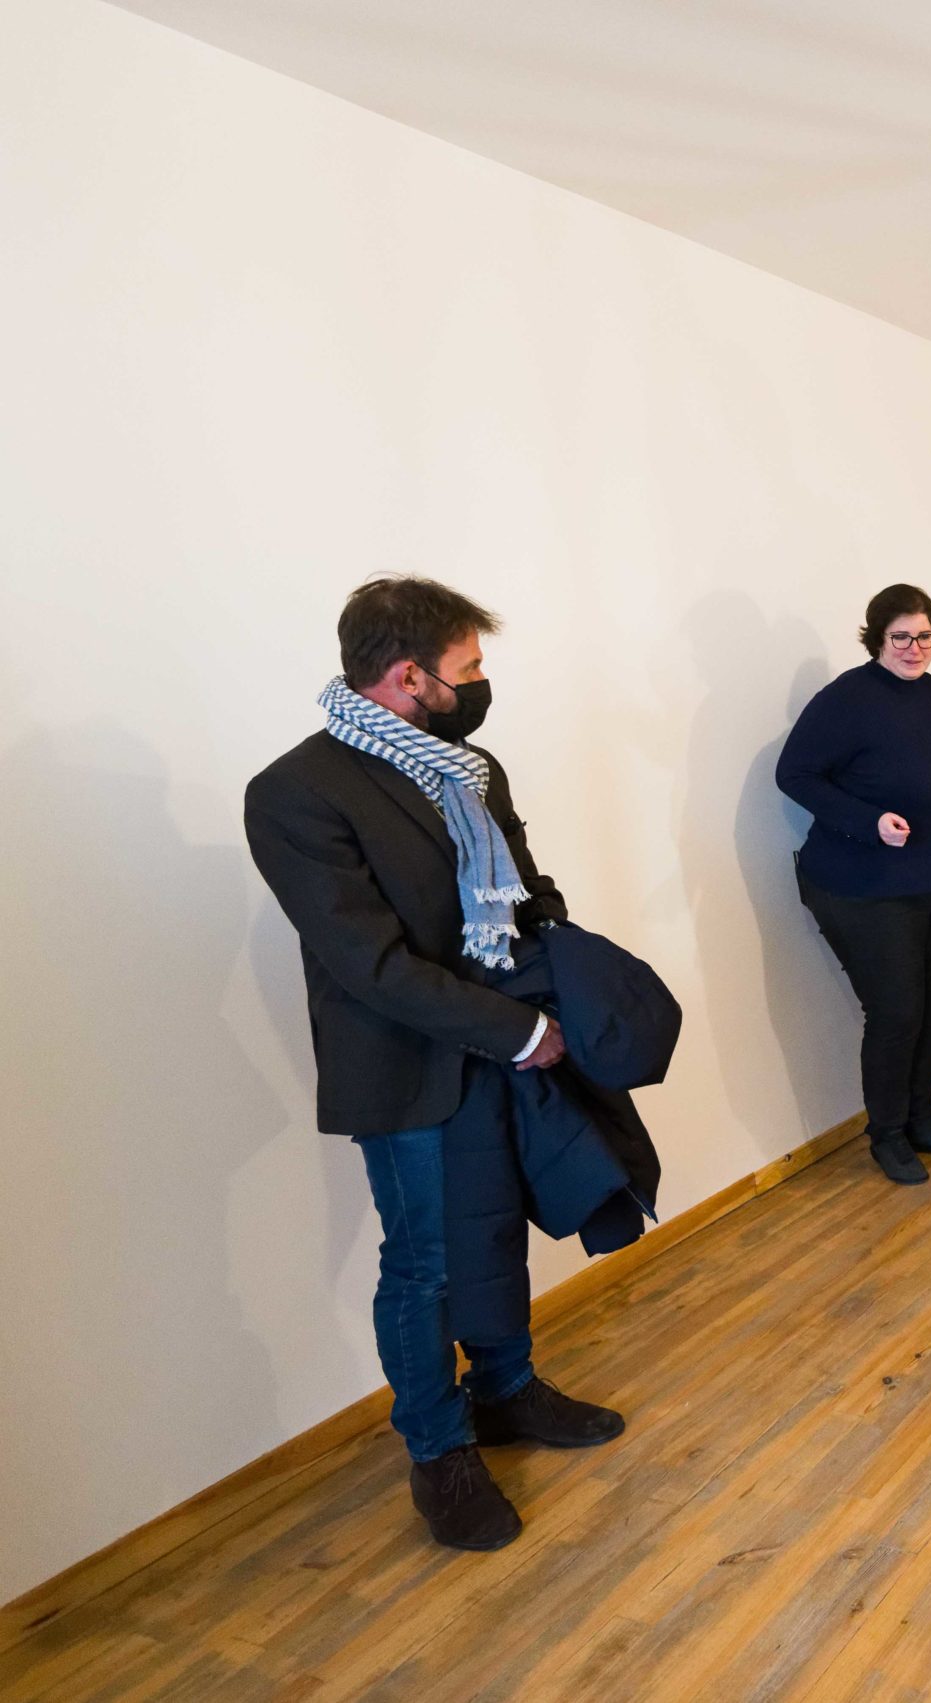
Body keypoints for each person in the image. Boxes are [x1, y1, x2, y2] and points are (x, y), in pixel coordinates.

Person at [244, 577, 625, 1552]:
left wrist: (567, 977)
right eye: (469, 667)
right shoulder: (295, 792)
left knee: (494, 1230)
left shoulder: (472, 768)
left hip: (507, 1039)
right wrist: (512, 1028)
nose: (481, 683)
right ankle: (438, 1450)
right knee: (426, 1264)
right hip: (407, 1063)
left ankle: (507, 1390)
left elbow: (527, 887)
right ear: (409, 675)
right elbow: (368, 963)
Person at [776, 584, 931, 1186]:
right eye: (900, 636)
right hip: (868, 886)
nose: (914, 647)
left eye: (925, 636)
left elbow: (925, 762)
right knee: (897, 1013)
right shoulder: (846, 698)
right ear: (877, 638)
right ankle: (888, 1135)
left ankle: (922, 1119)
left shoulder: (930, 691)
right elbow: (794, 774)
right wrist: (868, 821)